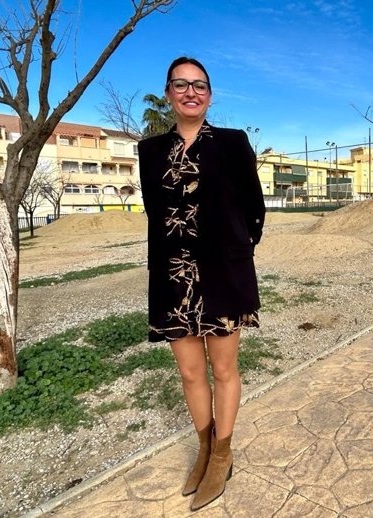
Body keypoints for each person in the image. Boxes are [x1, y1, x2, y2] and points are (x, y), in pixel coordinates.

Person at [137, 56, 265, 511]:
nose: (191, 92)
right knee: (191, 372)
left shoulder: (233, 143)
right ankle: (205, 448)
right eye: (181, 84)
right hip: (173, 276)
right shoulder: (148, 151)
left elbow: (255, 206)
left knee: (224, 370)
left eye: (200, 85)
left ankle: (223, 454)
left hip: (224, 274)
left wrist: (238, 250)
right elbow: (156, 212)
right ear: (169, 93)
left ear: (210, 95)